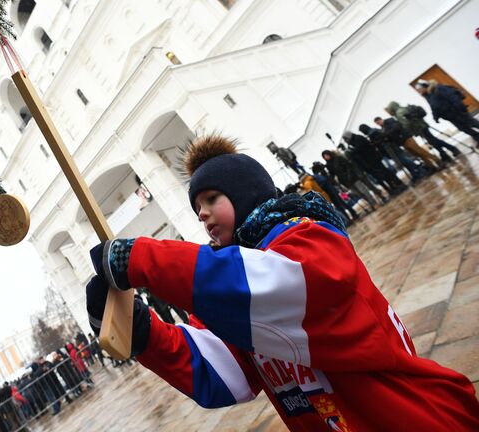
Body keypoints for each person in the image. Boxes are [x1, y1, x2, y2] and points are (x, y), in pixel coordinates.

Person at [84, 134, 479, 431]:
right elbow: (223, 373)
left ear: (245, 193)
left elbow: (276, 287)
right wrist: (144, 334)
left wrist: (142, 258)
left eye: (211, 198)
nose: (202, 214)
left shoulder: (308, 237)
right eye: (197, 207)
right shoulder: (234, 295)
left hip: (415, 418)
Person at [385, 101, 460, 162]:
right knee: (432, 141)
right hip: (422, 125)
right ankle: (444, 154)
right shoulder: (403, 108)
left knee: (434, 140)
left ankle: (453, 149)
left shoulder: (399, 113)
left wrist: (408, 131)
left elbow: (406, 124)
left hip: (419, 128)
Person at [417, 80, 479, 145]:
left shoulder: (438, 88)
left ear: (424, 86)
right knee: (464, 129)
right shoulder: (428, 96)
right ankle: (477, 137)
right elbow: (434, 107)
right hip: (450, 117)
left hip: (457, 112)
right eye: (418, 90)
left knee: (473, 123)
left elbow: (453, 97)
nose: (419, 91)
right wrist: (435, 117)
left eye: (420, 89)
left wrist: (461, 108)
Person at [374, 116, 443, 171]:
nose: (379, 124)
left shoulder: (389, 121)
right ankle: (431, 166)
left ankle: (437, 161)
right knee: (417, 154)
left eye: (378, 122)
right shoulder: (383, 128)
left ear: (381, 119)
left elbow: (396, 127)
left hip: (406, 139)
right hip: (402, 142)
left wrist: (386, 134)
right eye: (377, 123)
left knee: (420, 151)